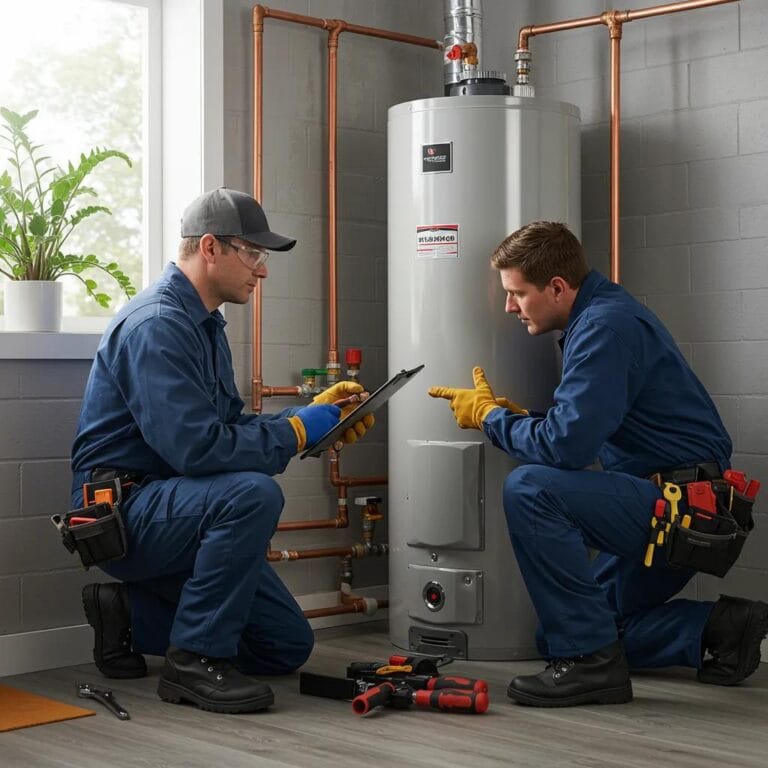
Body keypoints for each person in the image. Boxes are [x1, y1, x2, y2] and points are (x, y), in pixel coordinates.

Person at [428, 221, 768, 708]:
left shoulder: (605, 327)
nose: (508, 306)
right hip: (676, 505)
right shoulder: (600, 318)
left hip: (679, 511)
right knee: (566, 633)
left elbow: (568, 449)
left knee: (531, 489)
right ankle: (718, 629)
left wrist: (491, 419)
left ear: (558, 288)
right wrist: (522, 418)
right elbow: (581, 422)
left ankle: (592, 667)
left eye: (517, 293)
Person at [71, 187, 373, 714]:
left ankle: (127, 612)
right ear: (210, 248)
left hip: (175, 505)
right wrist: (299, 431)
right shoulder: (158, 326)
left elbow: (227, 427)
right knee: (250, 495)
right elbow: (197, 450)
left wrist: (307, 419)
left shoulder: (203, 324)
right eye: (253, 254)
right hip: (122, 513)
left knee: (284, 646)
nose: (263, 270)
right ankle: (193, 661)